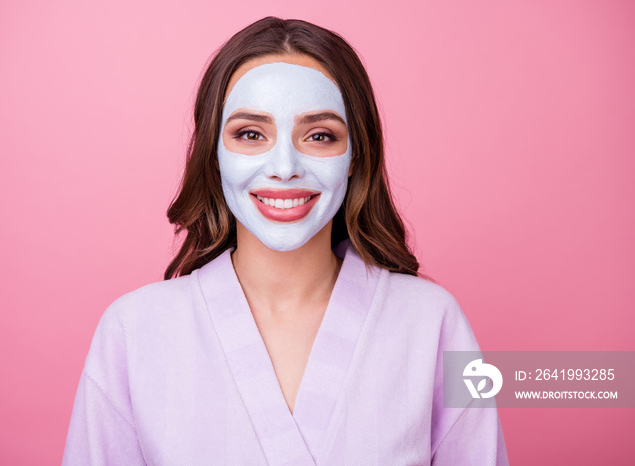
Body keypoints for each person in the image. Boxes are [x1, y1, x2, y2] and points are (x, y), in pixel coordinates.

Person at [62, 17, 509, 465]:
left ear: (356, 155)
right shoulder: (132, 332)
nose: (284, 166)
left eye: (319, 136)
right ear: (214, 155)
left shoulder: (433, 323)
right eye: (251, 134)